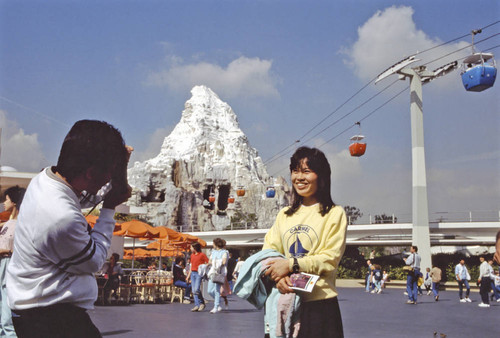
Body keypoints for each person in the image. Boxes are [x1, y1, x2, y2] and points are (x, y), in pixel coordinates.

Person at [6, 120, 132, 338]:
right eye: (109, 172)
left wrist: (119, 167)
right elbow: (94, 260)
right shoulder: (60, 217)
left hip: (40, 312)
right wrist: (109, 207)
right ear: (91, 173)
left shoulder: (45, 179)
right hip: (51, 319)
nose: (109, 179)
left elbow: (81, 194)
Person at [262, 146, 348, 338]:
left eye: (306, 171)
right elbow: (268, 252)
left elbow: (329, 259)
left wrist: (290, 264)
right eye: (295, 171)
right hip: (285, 299)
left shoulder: (334, 214)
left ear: (322, 177)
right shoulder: (284, 215)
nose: (299, 177)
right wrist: (279, 278)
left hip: (319, 306)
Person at [0, 186, 26, 337]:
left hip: (8, 263)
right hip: (3, 262)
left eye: (7, 199)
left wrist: (6, 251)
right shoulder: (8, 223)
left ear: (15, 202)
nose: (4, 202)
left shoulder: (21, 225)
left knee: (6, 311)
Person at [207, 237, 228, 314]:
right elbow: (210, 261)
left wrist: (215, 262)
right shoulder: (213, 252)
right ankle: (218, 302)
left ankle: (216, 306)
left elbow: (224, 262)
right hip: (212, 272)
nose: (212, 245)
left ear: (216, 244)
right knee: (209, 290)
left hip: (219, 272)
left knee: (216, 290)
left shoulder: (224, 252)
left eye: (213, 243)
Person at [187, 242, 208, 312]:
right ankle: (197, 305)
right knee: (193, 290)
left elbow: (208, 262)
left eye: (191, 247)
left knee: (196, 289)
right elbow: (191, 266)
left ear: (195, 248)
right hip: (192, 273)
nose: (190, 248)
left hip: (199, 273)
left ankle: (202, 303)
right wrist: (188, 276)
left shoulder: (202, 255)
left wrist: (203, 267)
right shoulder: (192, 255)